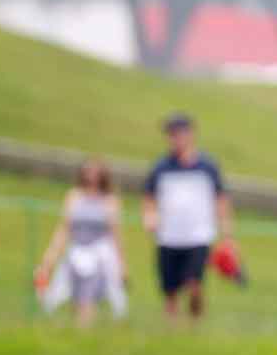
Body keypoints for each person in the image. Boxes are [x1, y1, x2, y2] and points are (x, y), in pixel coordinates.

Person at [142, 112, 233, 321]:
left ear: (190, 135)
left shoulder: (207, 167)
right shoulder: (161, 168)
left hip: (198, 236)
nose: (174, 138)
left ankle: (195, 321)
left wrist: (226, 233)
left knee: (194, 285)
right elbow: (149, 198)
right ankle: (172, 330)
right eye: (171, 134)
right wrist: (149, 216)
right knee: (170, 289)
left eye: (178, 133)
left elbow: (220, 199)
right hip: (169, 236)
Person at [36, 159, 129, 326]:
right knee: (75, 295)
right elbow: (64, 228)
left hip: (100, 255)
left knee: (88, 296)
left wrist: (121, 265)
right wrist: (50, 257)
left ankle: (85, 329)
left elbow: (115, 235)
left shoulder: (110, 201)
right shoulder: (74, 196)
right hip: (76, 252)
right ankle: (79, 334)